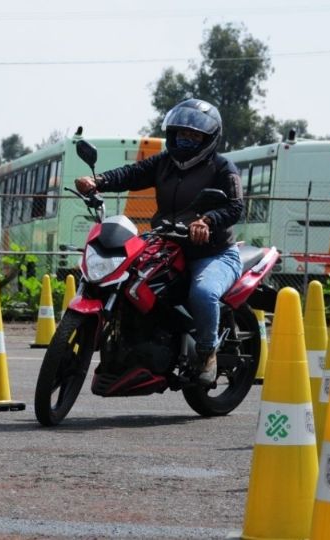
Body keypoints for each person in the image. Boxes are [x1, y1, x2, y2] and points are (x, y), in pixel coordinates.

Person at [74, 98, 243, 385]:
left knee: (202, 293)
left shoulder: (222, 168)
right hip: (167, 243)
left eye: (194, 136)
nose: (186, 140)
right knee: (127, 277)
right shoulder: (165, 162)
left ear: (208, 139)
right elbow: (131, 174)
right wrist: (98, 181)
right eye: (181, 134)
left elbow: (235, 207)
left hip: (213, 252)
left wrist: (207, 221)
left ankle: (206, 353)